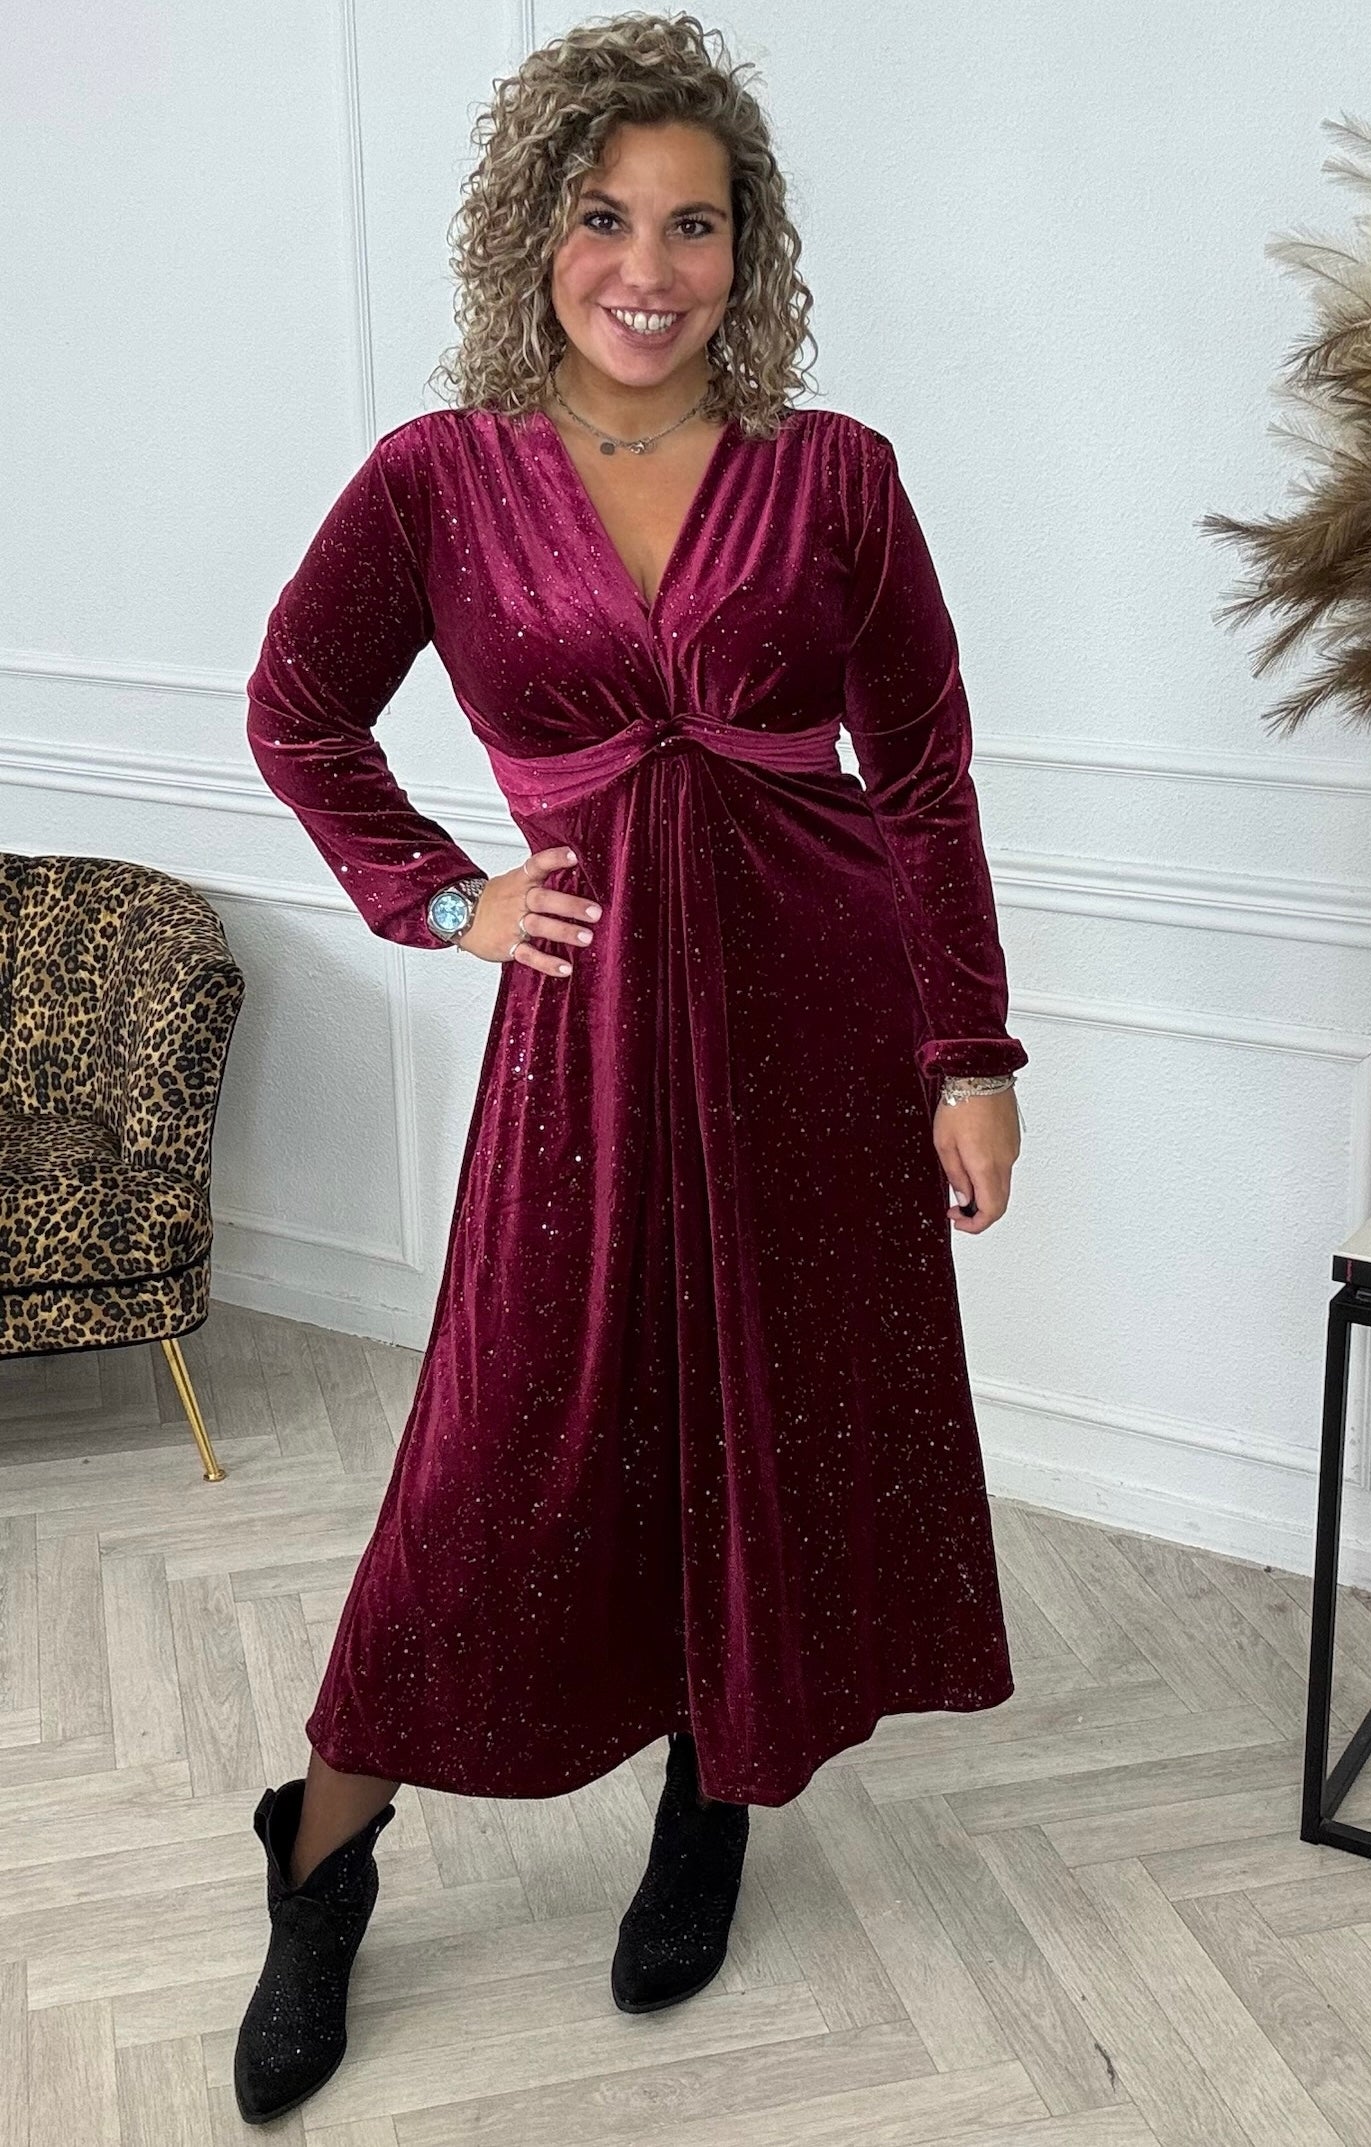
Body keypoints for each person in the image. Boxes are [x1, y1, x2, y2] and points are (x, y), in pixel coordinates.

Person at [234, 8, 1028, 2125]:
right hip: (580, 1049)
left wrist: (968, 1052)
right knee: (498, 1454)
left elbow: (924, 772)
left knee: (762, 1427)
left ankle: (711, 1795)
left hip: (815, 1024)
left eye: (693, 223)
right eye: (605, 216)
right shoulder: (441, 476)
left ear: (746, 249)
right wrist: (440, 898)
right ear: (539, 229)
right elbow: (297, 713)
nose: (647, 267)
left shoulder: (834, 473)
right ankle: (319, 1851)